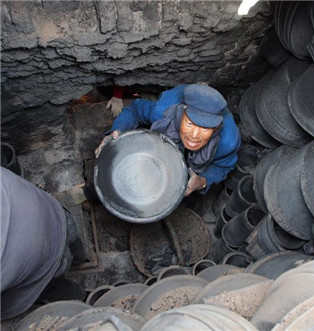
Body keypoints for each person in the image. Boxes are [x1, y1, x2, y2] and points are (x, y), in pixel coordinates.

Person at [95, 84, 241, 197]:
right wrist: (117, 131)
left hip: (202, 157)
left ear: (216, 129)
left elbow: (223, 167)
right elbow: (134, 110)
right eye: (189, 124)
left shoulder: (227, 143)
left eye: (205, 129)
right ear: (180, 115)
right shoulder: (162, 112)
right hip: (170, 129)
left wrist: (203, 181)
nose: (195, 135)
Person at [1, 168, 85, 320]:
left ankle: (81, 297)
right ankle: (81, 258)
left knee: (51, 285)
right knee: (70, 234)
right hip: (46, 209)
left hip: (40, 262)